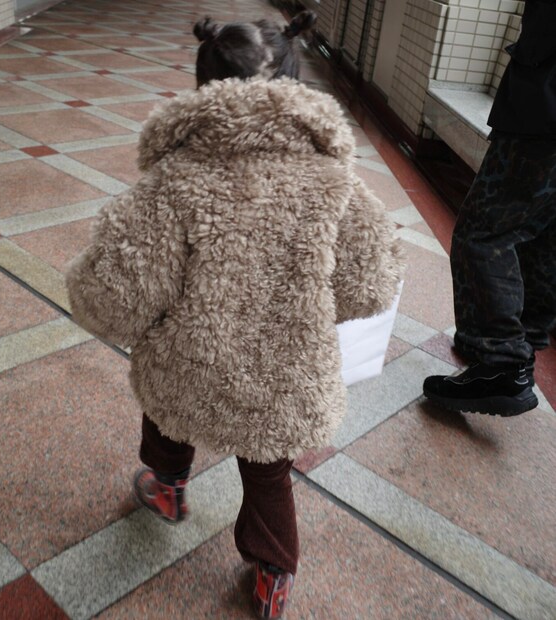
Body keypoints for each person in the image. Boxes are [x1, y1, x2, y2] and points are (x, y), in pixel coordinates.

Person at [66, 11, 402, 619]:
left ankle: (168, 490)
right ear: (295, 80)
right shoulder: (336, 183)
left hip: (189, 362)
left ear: (205, 85)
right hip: (283, 373)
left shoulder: (173, 180)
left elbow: (117, 292)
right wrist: (306, 306)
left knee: (168, 414)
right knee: (269, 471)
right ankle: (272, 573)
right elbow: (371, 285)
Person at [423, 0, 556, 417]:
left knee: (484, 233)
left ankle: (502, 363)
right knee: (541, 234)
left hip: (546, 110)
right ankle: (521, 342)